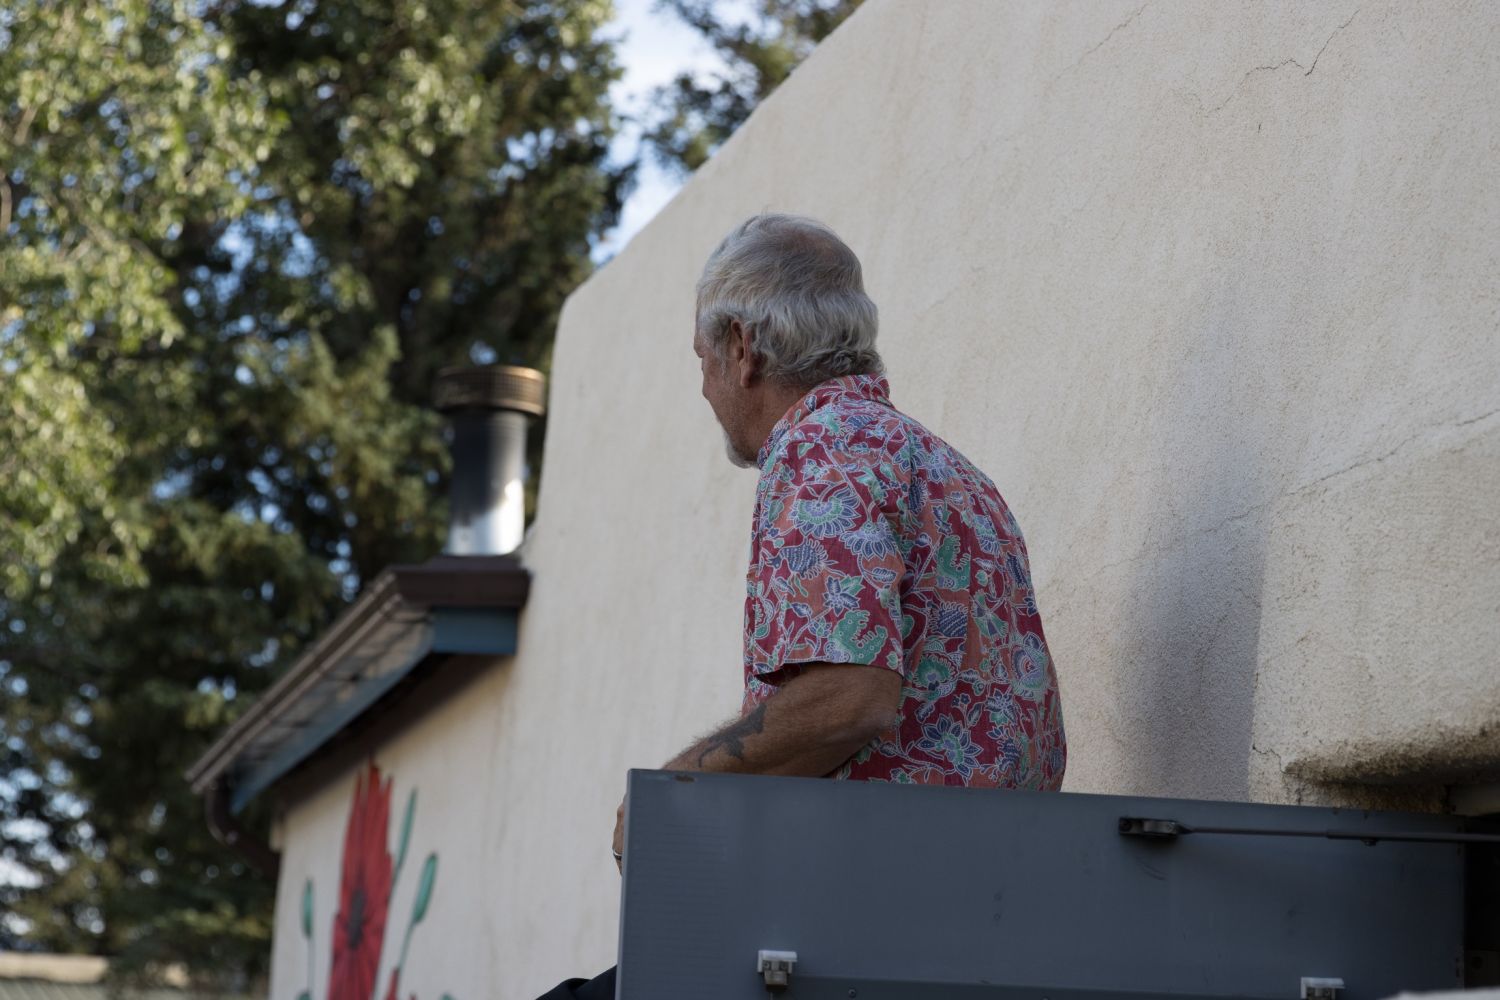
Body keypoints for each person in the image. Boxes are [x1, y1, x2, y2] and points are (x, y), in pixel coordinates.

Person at [544, 213, 1066, 998]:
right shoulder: (953, 472)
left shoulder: (821, 446)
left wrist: (673, 792)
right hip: (992, 917)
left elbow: (850, 699)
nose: (704, 387)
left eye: (701, 359)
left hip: (867, 926)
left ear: (742, 349)